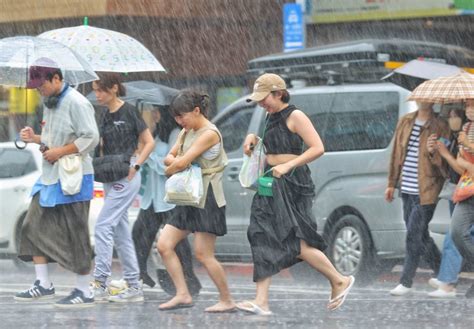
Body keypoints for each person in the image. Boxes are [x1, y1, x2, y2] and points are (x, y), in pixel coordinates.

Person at [236, 73, 354, 314]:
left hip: (292, 182)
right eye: (258, 99)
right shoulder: (270, 116)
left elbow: (318, 147)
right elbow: (275, 145)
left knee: (295, 240)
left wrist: (288, 166)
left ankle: (339, 279)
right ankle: (261, 301)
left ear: (279, 93)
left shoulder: (295, 115)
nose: (261, 103)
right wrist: (254, 140)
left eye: (264, 98)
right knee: (260, 233)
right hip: (270, 180)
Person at [14, 61, 100, 308]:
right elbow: (53, 139)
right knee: (31, 226)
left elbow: (91, 137)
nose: (38, 90)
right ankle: (43, 283)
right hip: (50, 177)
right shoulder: (50, 103)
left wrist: (60, 151)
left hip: (74, 177)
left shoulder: (77, 102)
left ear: (56, 79)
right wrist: (34, 139)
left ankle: (84, 290)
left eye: (41, 85)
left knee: (76, 232)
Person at [157, 90, 236, 312]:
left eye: (182, 116)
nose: (179, 121)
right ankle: (182, 294)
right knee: (164, 245)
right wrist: (175, 164)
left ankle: (227, 299)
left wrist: (173, 167)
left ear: (196, 110)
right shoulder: (186, 131)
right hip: (188, 195)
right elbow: (169, 157)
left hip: (208, 196)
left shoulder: (210, 133)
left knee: (203, 253)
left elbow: (180, 163)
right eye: (176, 118)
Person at [91, 73, 155, 303]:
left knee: (103, 226)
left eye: (100, 90)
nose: (97, 95)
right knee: (120, 232)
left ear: (114, 88)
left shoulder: (129, 111)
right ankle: (133, 284)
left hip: (126, 175)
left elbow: (149, 142)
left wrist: (136, 165)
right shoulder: (104, 114)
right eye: (95, 90)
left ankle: (100, 282)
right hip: (109, 173)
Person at [129, 105, 201, 295]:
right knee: (139, 235)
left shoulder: (176, 133)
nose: (153, 114)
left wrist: (148, 153)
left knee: (177, 242)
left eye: (157, 111)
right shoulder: (156, 133)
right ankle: (139, 274)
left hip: (169, 199)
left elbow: (168, 167)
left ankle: (188, 280)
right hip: (152, 198)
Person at [385, 101, 449, 296]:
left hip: (428, 189)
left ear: (433, 101)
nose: (423, 101)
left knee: (414, 234)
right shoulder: (405, 121)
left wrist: (433, 152)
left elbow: (444, 163)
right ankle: (441, 272)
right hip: (407, 188)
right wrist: (391, 182)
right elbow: (396, 153)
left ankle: (406, 281)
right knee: (421, 235)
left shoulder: (440, 126)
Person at [426, 107, 466, 298]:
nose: (451, 119)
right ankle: (447, 280)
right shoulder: (457, 136)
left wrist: (448, 155)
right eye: (449, 116)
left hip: (467, 193)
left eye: (455, 116)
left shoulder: (467, 137)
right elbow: (447, 171)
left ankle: (447, 281)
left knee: (455, 236)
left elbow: (463, 167)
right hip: (457, 191)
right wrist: (435, 151)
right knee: (456, 236)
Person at [450, 99, 474, 298]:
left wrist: (469, 145)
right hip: (468, 189)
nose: (469, 110)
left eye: (473, 105)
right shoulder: (466, 127)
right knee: (457, 232)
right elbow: (460, 164)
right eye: (467, 105)